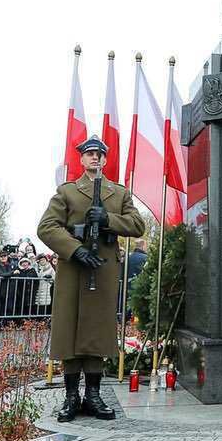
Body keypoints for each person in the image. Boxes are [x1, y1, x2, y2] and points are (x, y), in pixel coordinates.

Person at [37, 135, 145, 422]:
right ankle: (72, 396)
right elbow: (47, 227)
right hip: (74, 268)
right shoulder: (67, 192)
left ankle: (94, 395)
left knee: (97, 329)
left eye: (99, 153)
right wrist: (74, 250)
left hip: (103, 268)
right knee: (69, 328)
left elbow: (137, 225)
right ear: (82, 159)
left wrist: (109, 218)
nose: (95, 157)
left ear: (105, 159)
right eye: (89, 153)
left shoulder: (118, 194)